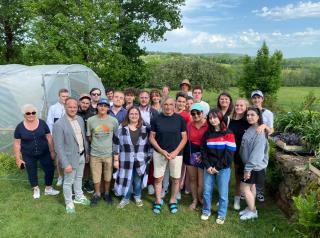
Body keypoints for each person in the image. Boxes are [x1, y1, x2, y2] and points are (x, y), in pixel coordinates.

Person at [149, 97, 187, 214]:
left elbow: (184, 138)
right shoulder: (156, 119)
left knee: (176, 179)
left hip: (176, 154)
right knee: (158, 178)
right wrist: (161, 151)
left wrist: (175, 152)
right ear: (162, 105)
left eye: (171, 104)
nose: (168, 107)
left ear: (174, 105)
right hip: (160, 153)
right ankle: (158, 200)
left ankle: (172, 200)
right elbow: (152, 137)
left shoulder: (180, 119)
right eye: (166, 104)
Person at [53, 98, 90, 213]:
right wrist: (65, 163)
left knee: (79, 178)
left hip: (82, 155)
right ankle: (69, 202)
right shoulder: (59, 124)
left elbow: (83, 137)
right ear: (65, 107)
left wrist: (86, 153)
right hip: (69, 159)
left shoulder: (79, 119)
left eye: (75, 107)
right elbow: (58, 147)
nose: (73, 109)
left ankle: (79, 196)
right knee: (68, 182)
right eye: (70, 107)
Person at [14, 104, 59, 199]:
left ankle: (48, 188)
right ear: (24, 115)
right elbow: (17, 143)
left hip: (44, 152)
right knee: (31, 171)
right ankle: (36, 189)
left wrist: (52, 151)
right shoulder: (19, 127)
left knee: (50, 169)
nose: (31, 115)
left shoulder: (42, 123)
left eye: (33, 113)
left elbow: (49, 137)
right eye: (28, 113)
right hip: (28, 154)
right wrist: (18, 158)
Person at [200, 108, 236, 224]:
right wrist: (208, 166)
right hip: (209, 168)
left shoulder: (228, 133)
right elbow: (203, 151)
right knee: (206, 191)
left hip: (223, 169)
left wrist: (217, 167)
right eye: (210, 118)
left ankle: (221, 214)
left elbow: (229, 153)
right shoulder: (207, 133)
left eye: (215, 117)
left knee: (223, 193)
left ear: (220, 118)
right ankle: (206, 210)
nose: (212, 120)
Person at [113, 107, 152, 208]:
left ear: (139, 115)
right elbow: (116, 144)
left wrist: (150, 156)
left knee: (137, 180)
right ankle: (125, 198)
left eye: (136, 114)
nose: (134, 116)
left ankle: (137, 196)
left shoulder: (145, 127)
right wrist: (116, 159)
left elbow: (150, 143)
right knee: (127, 179)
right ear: (128, 115)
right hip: (126, 159)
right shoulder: (122, 128)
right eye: (131, 114)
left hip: (141, 160)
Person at [87, 98, 119, 206]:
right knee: (96, 176)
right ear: (97, 106)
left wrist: (115, 155)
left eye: (105, 106)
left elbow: (116, 138)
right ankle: (97, 194)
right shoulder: (91, 120)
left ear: (108, 108)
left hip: (108, 154)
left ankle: (106, 193)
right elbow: (89, 137)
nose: (103, 107)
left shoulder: (113, 121)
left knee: (108, 176)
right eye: (101, 105)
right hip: (95, 154)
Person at [239, 106, 268, 220]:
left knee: (244, 187)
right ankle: (250, 207)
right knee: (251, 187)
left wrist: (248, 169)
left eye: (252, 115)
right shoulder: (251, 128)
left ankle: (253, 211)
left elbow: (257, 154)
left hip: (254, 167)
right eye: (248, 115)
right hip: (249, 165)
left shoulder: (259, 132)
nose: (249, 117)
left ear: (258, 117)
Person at [183, 103, 208, 210]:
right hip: (190, 151)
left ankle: (200, 198)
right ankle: (194, 200)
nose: (196, 115)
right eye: (193, 113)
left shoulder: (208, 124)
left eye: (198, 113)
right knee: (192, 178)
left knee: (202, 182)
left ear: (202, 113)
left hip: (204, 152)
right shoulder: (189, 125)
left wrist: (204, 154)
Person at [251, 90, 274, 202]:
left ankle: (259, 192)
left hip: (263, 143)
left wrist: (265, 126)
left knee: (261, 167)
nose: (256, 100)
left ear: (262, 99)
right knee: (249, 165)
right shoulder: (250, 111)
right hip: (251, 142)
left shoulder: (268, 113)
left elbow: (271, 129)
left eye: (258, 98)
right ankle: (248, 189)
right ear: (252, 99)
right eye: (254, 98)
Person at [229, 99, 250, 210]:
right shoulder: (229, 121)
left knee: (238, 177)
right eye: (237, 105)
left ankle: (237, 199)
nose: (239, 107)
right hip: (229, 152)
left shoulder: (248, 121)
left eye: (241, 105)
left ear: (246, 107)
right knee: (225, 176)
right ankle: (224, 198)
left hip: (240, 153)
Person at [46, 88, 69, 186]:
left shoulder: (70, 107)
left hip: (68, 137)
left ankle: (68, 176)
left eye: (67, 96)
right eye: (63, 96)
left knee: (68, 157)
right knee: (59, 158)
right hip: (57, 137)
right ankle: (60, 176)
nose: (65, 98)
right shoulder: (53, 108)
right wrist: (51, 137)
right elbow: (50, 123)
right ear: (59, 96)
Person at [138, 90, 159, 195]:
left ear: (149, 99)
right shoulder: (134, 110)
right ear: (139, 98)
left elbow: (156, 128)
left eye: (146, 97)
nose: (144, 99)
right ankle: (138, 184)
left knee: (150, 164)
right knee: (138, 163)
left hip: (150, 142)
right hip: (137, 142)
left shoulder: (154, 112)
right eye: (142, 97)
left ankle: (149, 184)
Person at [77, 93, 95, 193]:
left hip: (88, 143)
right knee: (77, 164)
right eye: (83, 102)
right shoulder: (74, 113)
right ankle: (77, 183)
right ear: (80, 102)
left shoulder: (92, 113)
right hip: (77, 142)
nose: (85, 105)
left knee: (87, 164)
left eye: (87, 103)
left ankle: (86, 182)